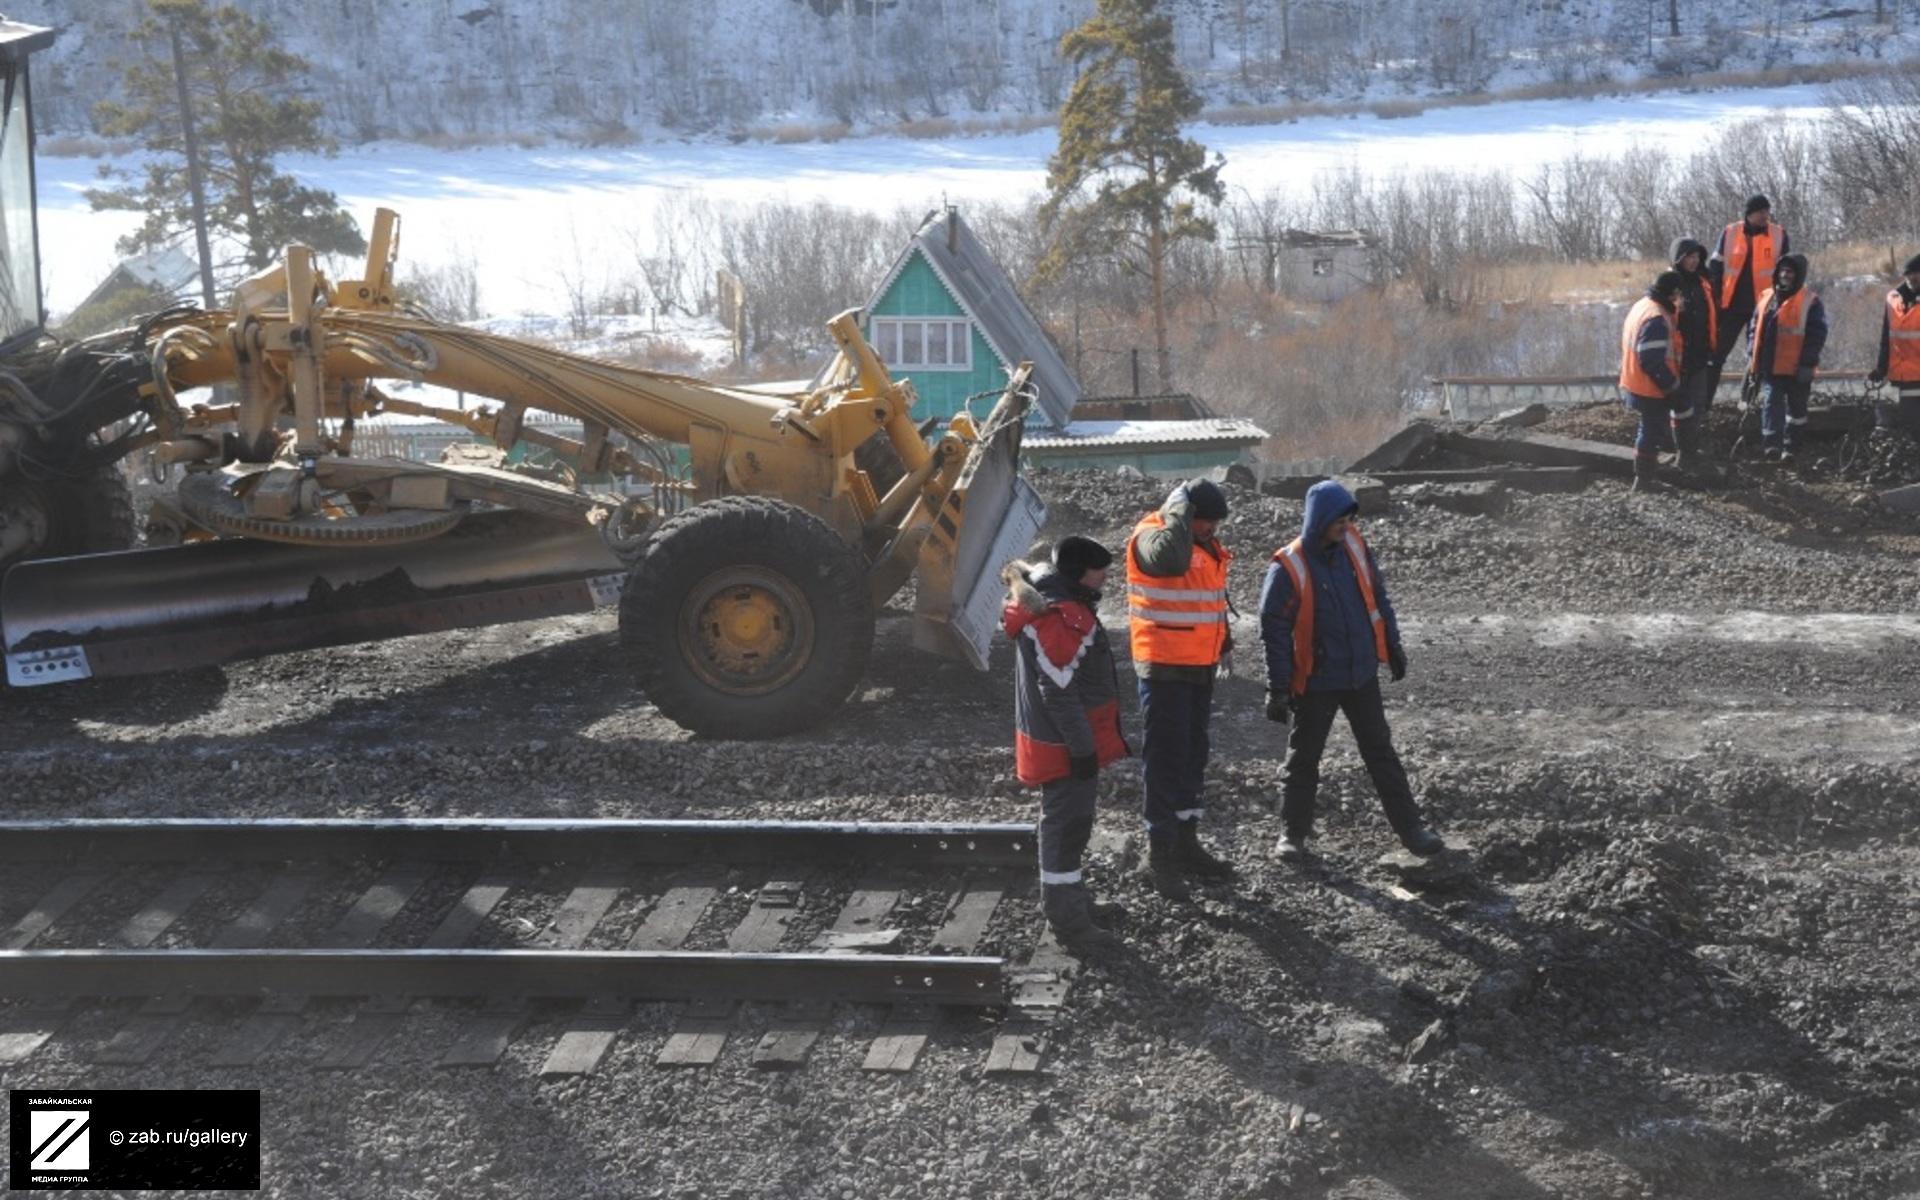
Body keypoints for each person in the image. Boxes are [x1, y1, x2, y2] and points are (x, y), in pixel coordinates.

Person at [1260, 480, 1444, 862]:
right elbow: (1273, 629)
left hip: (1360, 674)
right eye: (1340, 520)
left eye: (1349, 519)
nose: (1346, 526)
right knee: (1303, 759)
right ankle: (1292, 835)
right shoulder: (1289, 566)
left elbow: (1378, 597)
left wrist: (1391, 644)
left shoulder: (1355, 548)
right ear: (1321, 520)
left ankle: (1411, 830)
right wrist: (1278, 687)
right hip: (1317, 680)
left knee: (1381, 753)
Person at [1003, 536, 1130, 948]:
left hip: (1059, 740)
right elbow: (1059, 693)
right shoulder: (1061, 618)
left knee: (1071, 823)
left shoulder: (1051, 601)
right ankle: (1069, 923)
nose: (1107, 576)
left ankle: (1072, 903)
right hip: (1066, 745)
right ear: (1078, 574)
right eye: (1100, 570)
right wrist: (1082, 749)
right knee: (1066, 824)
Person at [1126, 479, 1235, 901]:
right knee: (1166, 758)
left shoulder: (1202, 542)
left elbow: (1206, 597)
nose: (1211, 528)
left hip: (1198, 665)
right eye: (1205, 520)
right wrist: (1178, 510)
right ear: (1186, 512)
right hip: (1164, 665)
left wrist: (1222, 639)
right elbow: (1170, 564)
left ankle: (1186, 842)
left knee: (1193, 754)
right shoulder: (1153, 535)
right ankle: (1159, 855)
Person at [1745, 253, 1828, 464]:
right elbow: (1754, 329)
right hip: (1771, 366)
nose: (1785, 275)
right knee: (1771, 403)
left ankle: (1793, 447)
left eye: (1789, 271)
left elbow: (1816, 335)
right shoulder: (1767, 297)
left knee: (1797, 409)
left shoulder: (1811, 302)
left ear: (1798, 274)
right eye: (1782, 270)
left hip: (1797, 367)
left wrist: (1808, 363)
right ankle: (1772, 445)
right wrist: (1750, 354)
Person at [1707, 194, 1789, 399]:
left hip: (1762, 307)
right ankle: (1704, 401)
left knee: (1756, 358)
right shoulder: (1730, 232)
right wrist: (1715, 297)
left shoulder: (1778, 234)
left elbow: (1787, 270)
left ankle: (1747, 401)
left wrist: (1780, 301)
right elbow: (1715, 267)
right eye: (1761, 211)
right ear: (1749, 213)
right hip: (1730, 306)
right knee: (1715, 355)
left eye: (1767, 211)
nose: (1765, 216)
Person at [1618, 270, 1687, 490]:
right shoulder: (1657, 318)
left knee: (1648, 429)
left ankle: (1646, 475)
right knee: (1651, 431)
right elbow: (1651, 359)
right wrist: (1671, 386)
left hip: (1634, 380)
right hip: (1649, 386)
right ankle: (1644, 480)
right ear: (1673, 294)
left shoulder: (1643, 305)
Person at [1669, 236, 1719, 464]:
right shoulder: (1670, 283)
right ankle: (1679, 449)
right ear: (1679, 258)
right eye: (1689, 256)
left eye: (1697, 257)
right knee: (1679, 406)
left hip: (1699, 354)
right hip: (1678, 357)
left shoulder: (1703, 283)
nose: (1694, 261)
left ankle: (1691, 448)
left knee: (1697, 404)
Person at [1868, 253, 1920, 433]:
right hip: (1903, 374)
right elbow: (1887, 338)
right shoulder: (1893, 299)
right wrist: (1881, 368)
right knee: (1908, 421)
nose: (1913, 277)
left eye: (1918, 273)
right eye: (1910, 273)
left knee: (1912, 422)